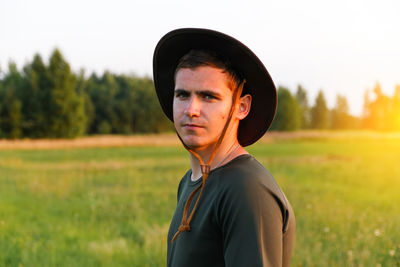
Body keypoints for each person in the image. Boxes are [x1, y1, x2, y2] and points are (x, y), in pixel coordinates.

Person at [153, 28, 295, 267]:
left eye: (208, 97)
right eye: (182, 95)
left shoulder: (246, 190)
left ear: (241, 106)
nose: (191, 109)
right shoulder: (191, 180)